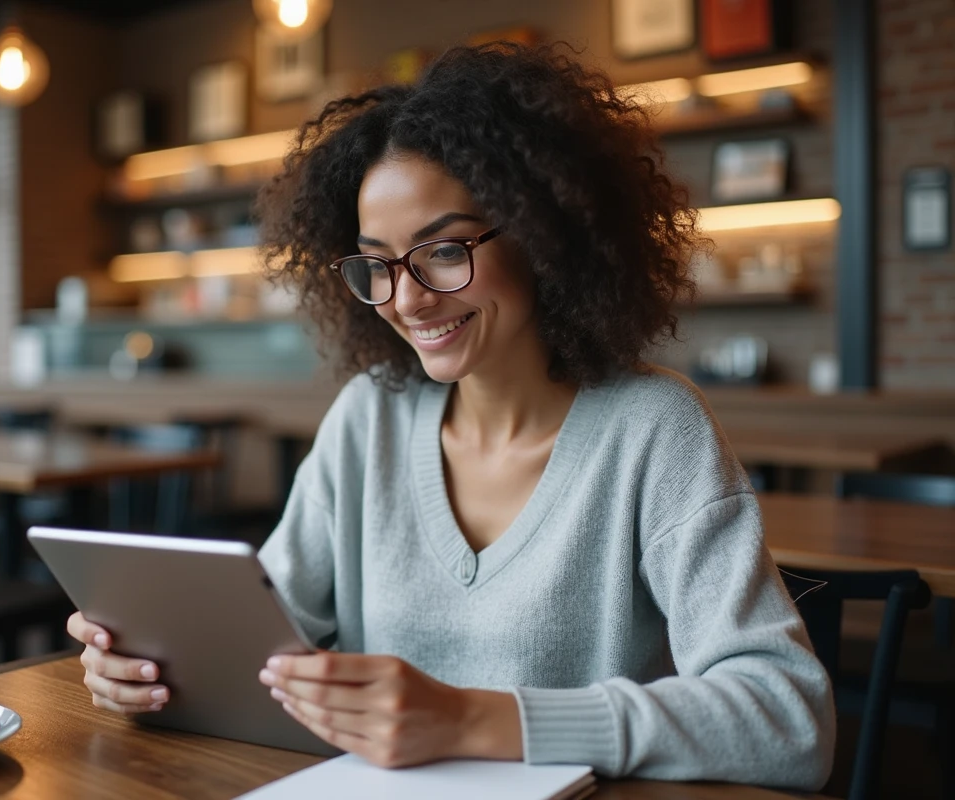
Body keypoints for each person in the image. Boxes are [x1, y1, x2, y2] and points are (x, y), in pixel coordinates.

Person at [68, 42, 835, 789]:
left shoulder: (654, 429)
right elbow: (266, 641)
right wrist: (149, 666)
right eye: (377, 264)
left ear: (544, 236)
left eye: (442, 252)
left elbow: (789, 721)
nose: (405, 299)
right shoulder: (370, 417)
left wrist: (473, 720)